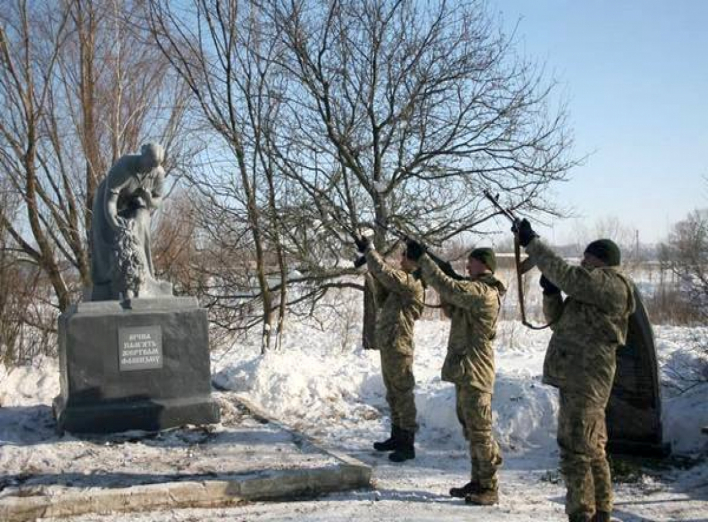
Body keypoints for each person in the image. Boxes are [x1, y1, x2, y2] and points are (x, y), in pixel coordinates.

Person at [514, 219, 636, 522]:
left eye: (587, 258)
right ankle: (600, 511)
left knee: (576, 449)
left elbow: (570, 276)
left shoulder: (612, 283)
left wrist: (532, 243)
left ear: (602, 261)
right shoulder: (591, 291)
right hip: (577, 377)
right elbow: (559, 324)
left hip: (588, 378)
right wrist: (551, 294)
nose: (583, 263)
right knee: (590, 447)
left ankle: (582, 513)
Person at [406, 241, 506, 506]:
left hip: (476, 371)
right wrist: (443, 275)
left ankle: (489, 486)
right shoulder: (474, 290)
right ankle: (478, 481)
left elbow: (451, 288)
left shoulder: (484, 291)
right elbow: (451, 306)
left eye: (471, 261)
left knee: (481, 431)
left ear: (484, 265)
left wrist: (426, 261)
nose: (467, 265)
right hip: (466, 370)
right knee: (471, 430)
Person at [356, 236, 425, 462]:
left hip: (400, 345)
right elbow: (382, 291)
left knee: (403, 394)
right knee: (393, 393)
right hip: (389, 343)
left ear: (414, 261)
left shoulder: (411, 282)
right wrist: (369, 265)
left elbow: (387, 275)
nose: (401, 258)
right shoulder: (401, 282)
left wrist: (371, 251)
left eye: (405, 255)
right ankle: (396, 436)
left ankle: (407, 443)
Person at [90, 143, 168, 300]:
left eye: (155, 165)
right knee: (104, 233)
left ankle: (143, 278)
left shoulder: (158, 172)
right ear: (142, 155)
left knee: (139, 223)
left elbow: (157, 201)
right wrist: (115, 224)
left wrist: (149, 199)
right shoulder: (123, 167)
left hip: (135, 203)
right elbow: (110, 203)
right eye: (149, 164)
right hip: (109, 202)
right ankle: (107, 282)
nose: (151, 169)